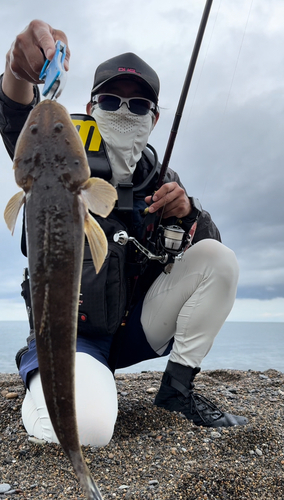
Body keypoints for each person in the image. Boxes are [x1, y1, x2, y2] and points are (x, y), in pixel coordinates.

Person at [0, 20, 248, 447]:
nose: (123, 112)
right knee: (88, 431)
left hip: (134, 330)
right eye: (110, 100)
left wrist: (189, 213)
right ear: (91, 106)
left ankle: (176, 391)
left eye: (137, 107)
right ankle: (45, 371)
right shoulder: (60, 152)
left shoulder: (161, 180)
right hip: (70, 331)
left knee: (220, 261)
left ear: (153, 118)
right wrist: (18, 73)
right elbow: (16, 116)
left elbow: (207, 252)